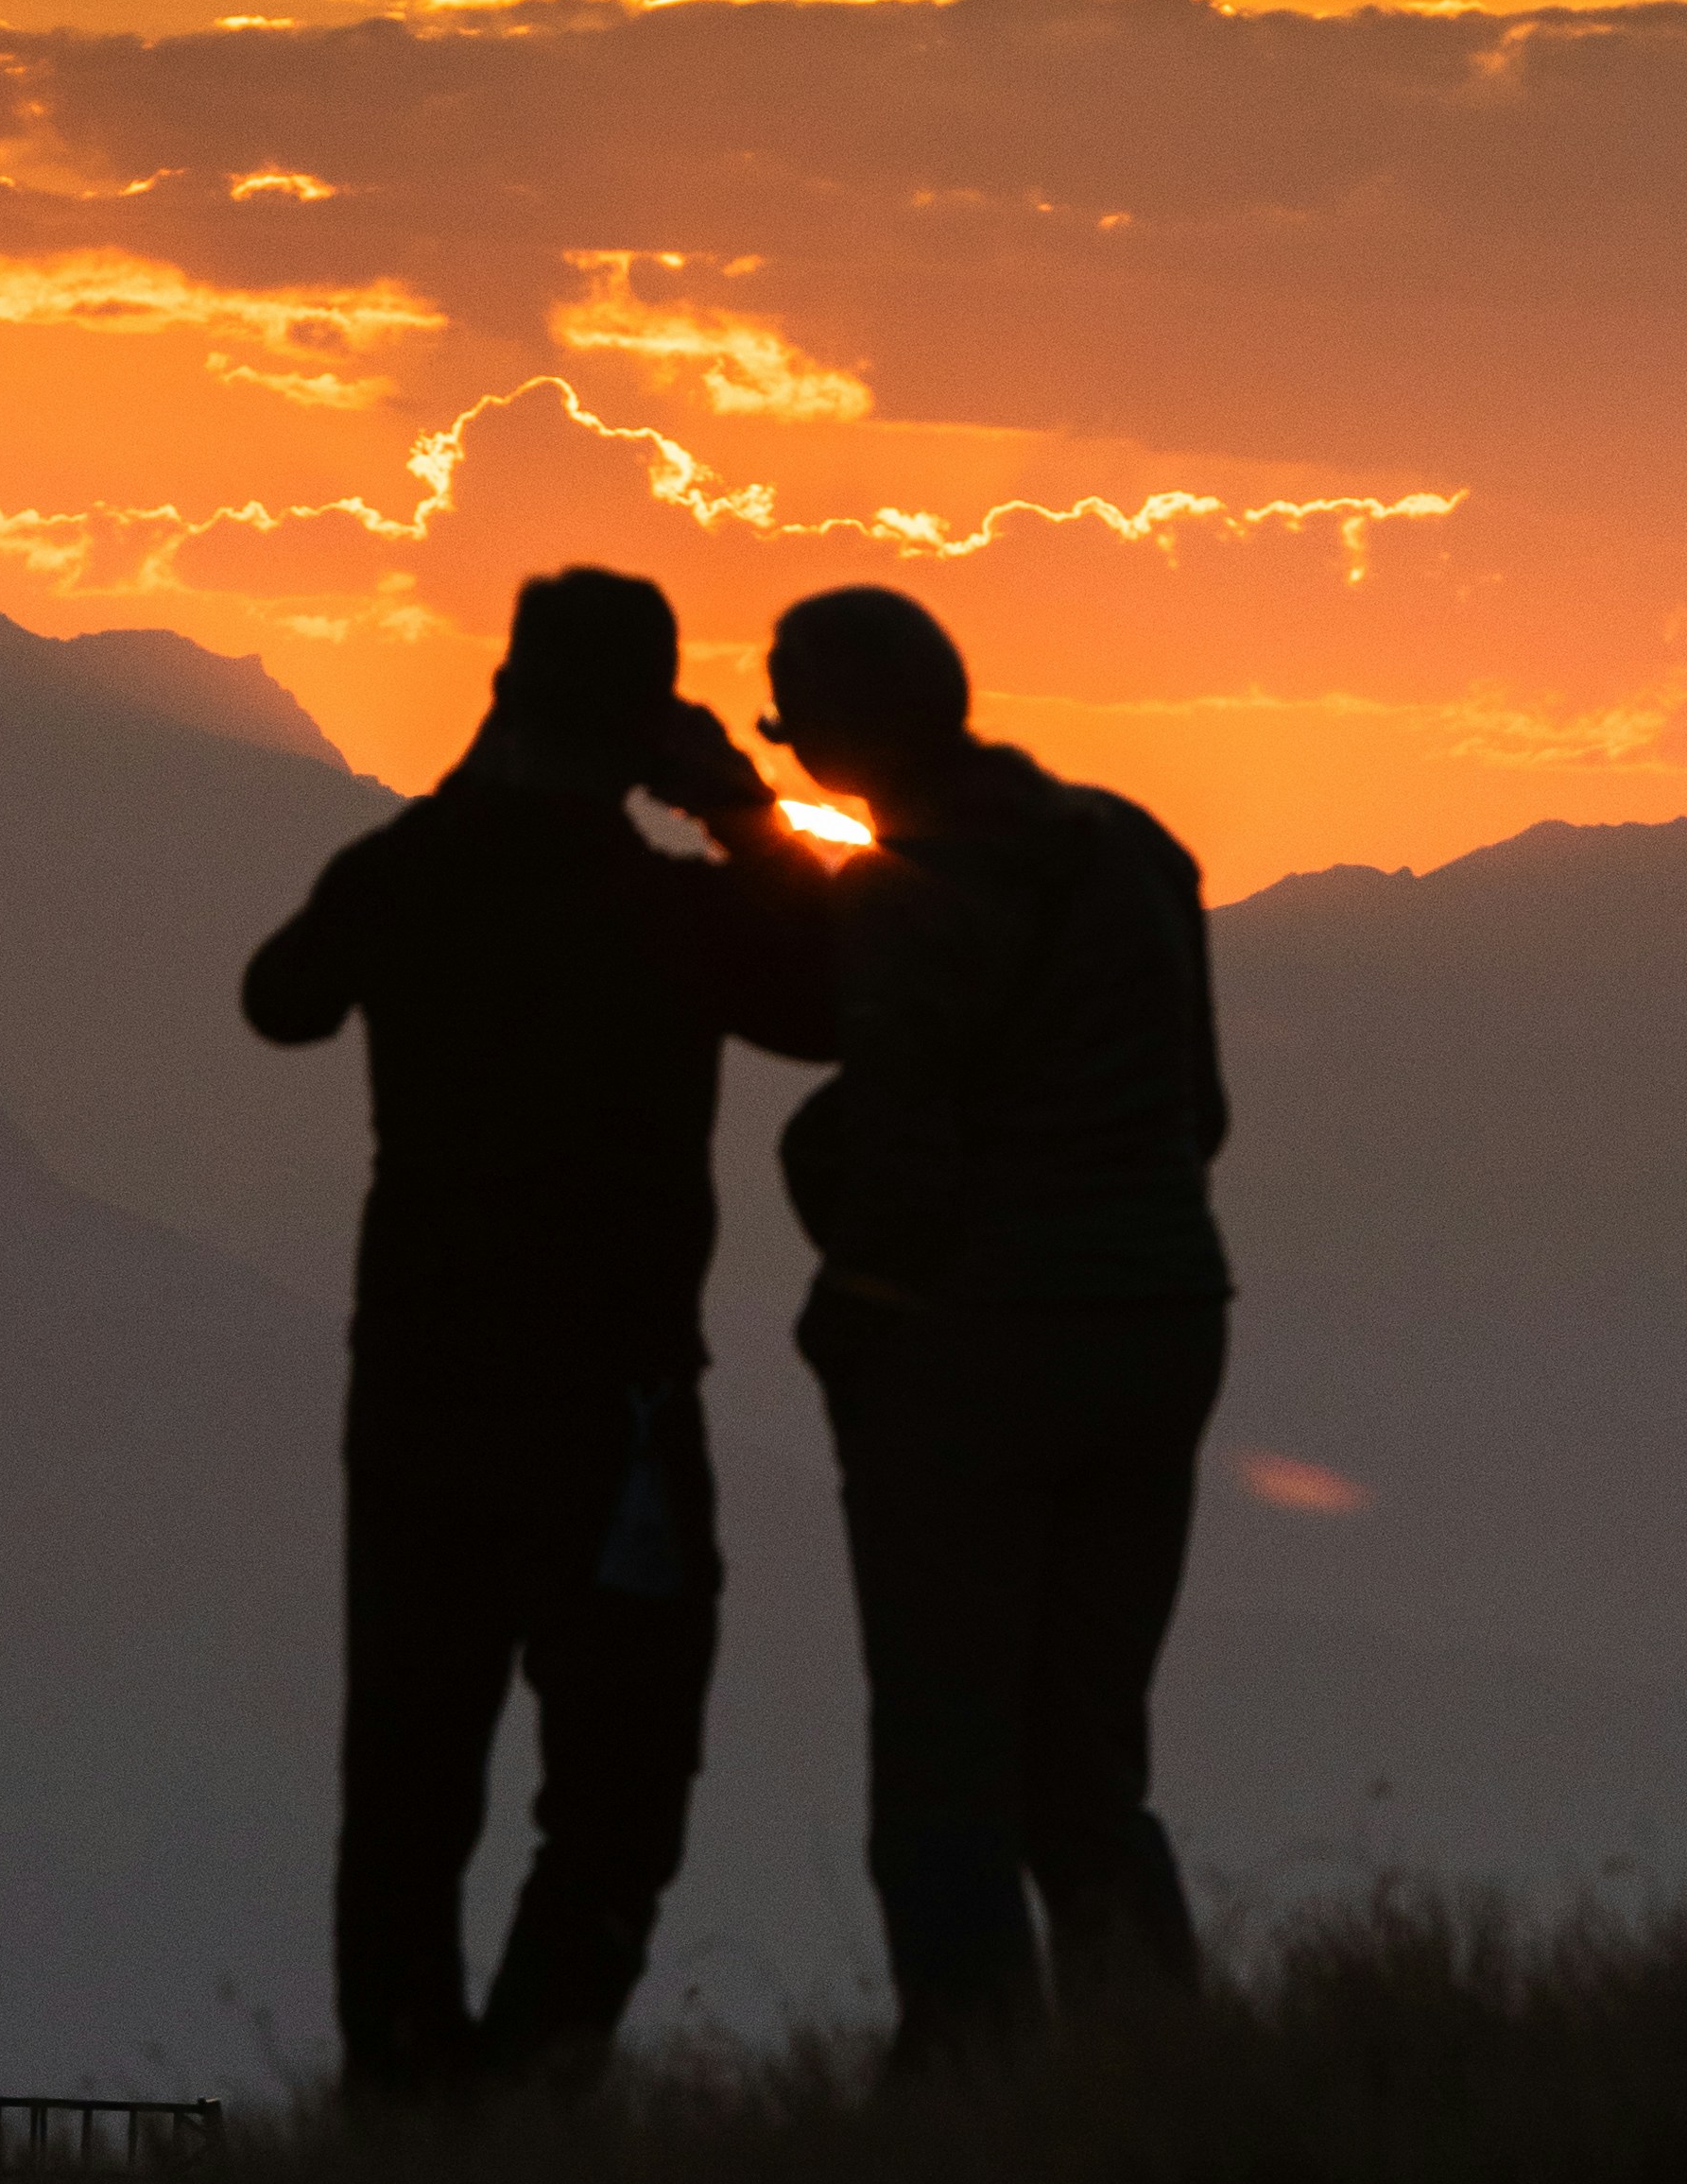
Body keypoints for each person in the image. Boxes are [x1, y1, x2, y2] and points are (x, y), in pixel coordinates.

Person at [241, 565, 835, 2103]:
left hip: (424, 1390)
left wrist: (455, 798)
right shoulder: (673, 910)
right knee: (622, 1785)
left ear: (504, 694)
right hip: (618, 1406)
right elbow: (842, 996)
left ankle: (405, 2100)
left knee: (410, 1775)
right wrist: (746, 810)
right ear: (649, 727)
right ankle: (529, 2087)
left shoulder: (406, 872)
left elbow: (280, 1001)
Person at [761, 582, 1231, 2065]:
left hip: (976, 1350)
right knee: (1087, 1764)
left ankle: (973, 2092)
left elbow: (903, 1144)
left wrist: (848, 1317)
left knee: (946, 1756)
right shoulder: (1137, 847)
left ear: (837, 735)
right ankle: (1159, 2081)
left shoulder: (908, 891)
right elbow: (1200, 1113)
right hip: (1164, 1323)